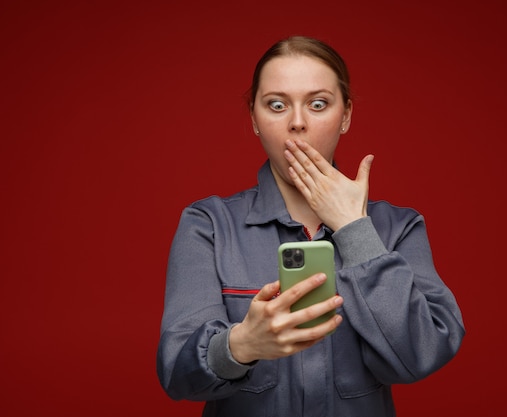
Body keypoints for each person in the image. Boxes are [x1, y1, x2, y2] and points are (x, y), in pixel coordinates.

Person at [157, 35, 465, 417]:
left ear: (346, 116)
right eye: (276, 105)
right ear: (254, 119)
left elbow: (421, 356)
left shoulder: (399, 227)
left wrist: (354, 230)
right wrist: (240, 345)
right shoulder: (209, 225)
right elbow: (175, 373)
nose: (298, 123)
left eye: (318, 104)